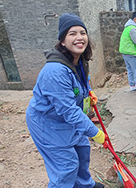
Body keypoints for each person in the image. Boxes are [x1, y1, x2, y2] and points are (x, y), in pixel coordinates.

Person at [26, 13, 106, 188]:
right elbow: (69, 110)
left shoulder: (79, 61)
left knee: (82, 150)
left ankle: (84, 185)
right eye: (72, 34)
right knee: (66, 166)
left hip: (66, 118)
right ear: (62, 41)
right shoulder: (55, 71)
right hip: (47, 122)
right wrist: (95, 132)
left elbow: (80, 86)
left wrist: (89, 93)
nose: (79, 38)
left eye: (82, 33)